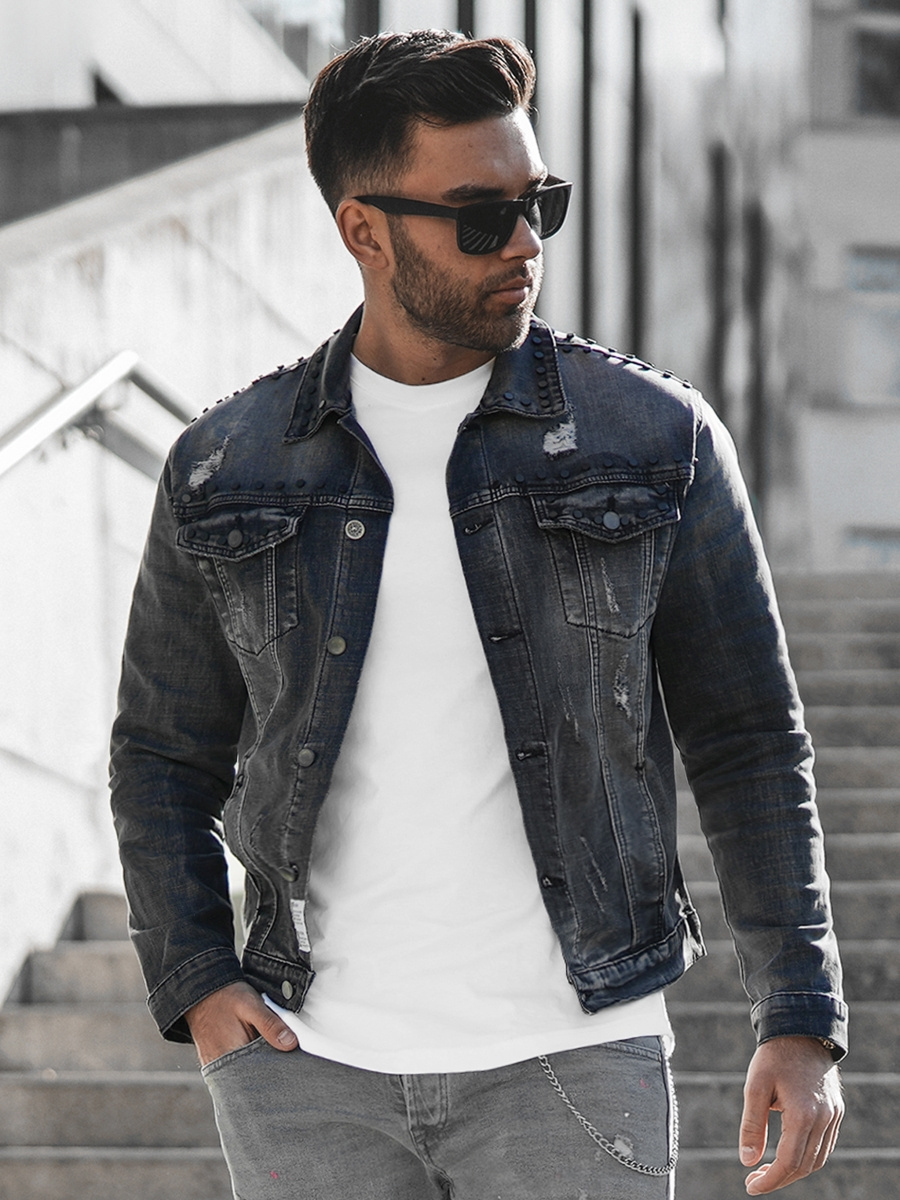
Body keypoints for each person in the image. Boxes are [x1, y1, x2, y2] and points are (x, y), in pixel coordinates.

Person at [110, 30, 846, 1200]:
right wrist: (198, 978)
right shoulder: (226, 468)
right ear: (364, 230)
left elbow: (751, 739)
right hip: (307, 1072)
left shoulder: (655, 441)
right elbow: (161, 755)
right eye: (481, 217)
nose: (524, 245)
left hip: (574, 1056)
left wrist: (798, 1015)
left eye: (537, 205)